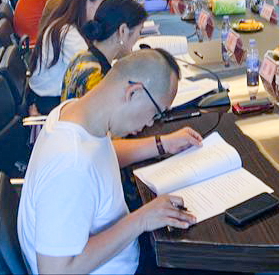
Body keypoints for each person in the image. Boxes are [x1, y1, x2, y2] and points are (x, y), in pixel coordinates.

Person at [19, 49, 202, 275]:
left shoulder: (76, 113)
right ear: (133, 93)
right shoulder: (70, 165)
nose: (150, 123)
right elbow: (54, 271)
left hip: (123, 249)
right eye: (156, 113)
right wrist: (141, 220)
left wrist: (162, 144)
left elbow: (100, 158)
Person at [29, 0, 110, 114]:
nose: (104, 11)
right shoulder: (68, 33)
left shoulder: (66, 22)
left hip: (48, 96)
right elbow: (91, 69)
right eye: (102, 4)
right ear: (87, 2)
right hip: (51, 102)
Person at [61, 0, 147, 101]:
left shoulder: (81, 56)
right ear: (123, 31)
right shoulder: (97, 77)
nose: (138, 38)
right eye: (139, 32)